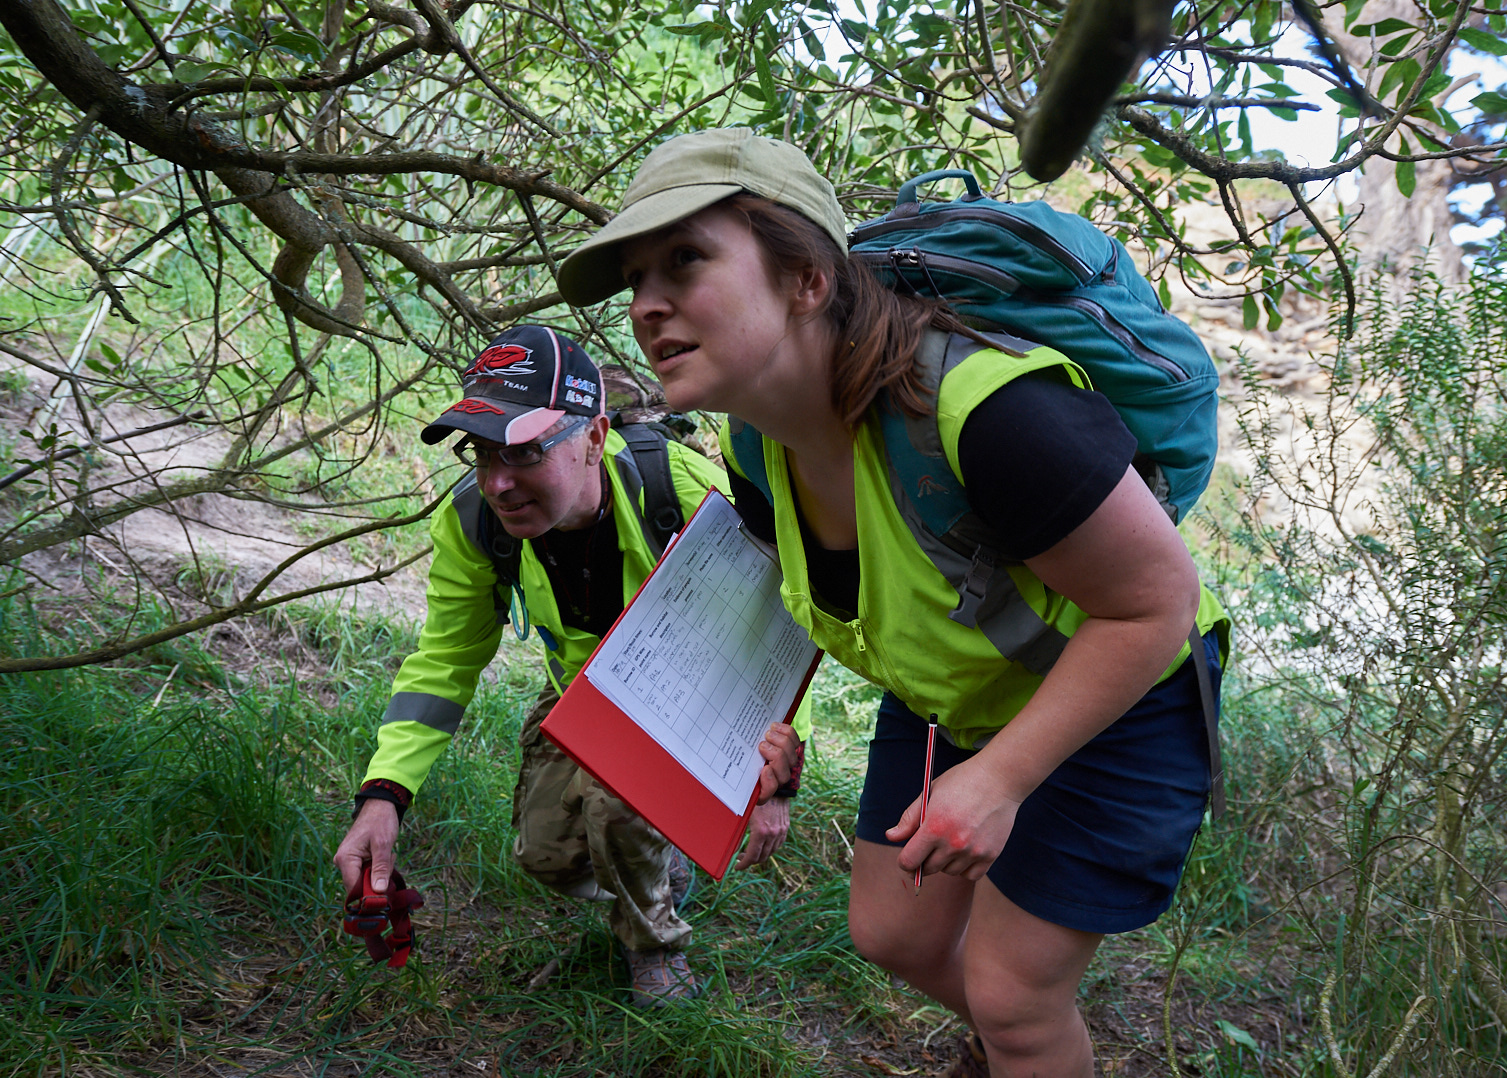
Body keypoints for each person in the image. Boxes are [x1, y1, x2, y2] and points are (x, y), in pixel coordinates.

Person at [554, 130, 1229, 1076]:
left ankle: (1027, 1043)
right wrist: (754, 754)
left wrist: (998, 781)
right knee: (892, 933)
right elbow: (802, 599)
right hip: (953, 687)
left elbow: (1155, 605)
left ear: (807, 280)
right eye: (634, 278)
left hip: (1122, 695)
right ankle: (1028, 1049)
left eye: (686, 260)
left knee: (1012, 991)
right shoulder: (760, 446)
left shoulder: (993, 413)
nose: (646, 306)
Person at [333, 324, 803, 1007]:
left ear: (590, 438)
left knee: (618, 792)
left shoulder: (681, 488)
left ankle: (655, 949)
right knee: (545, 857)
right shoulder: (474, 520)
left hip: (709, 696)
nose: (497, 481)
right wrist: (383, 796)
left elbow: (784, 627)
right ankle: (657, 862)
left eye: (524, 451)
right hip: (584, 696)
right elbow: (443, 663)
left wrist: (777, 779)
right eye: (481, 452)